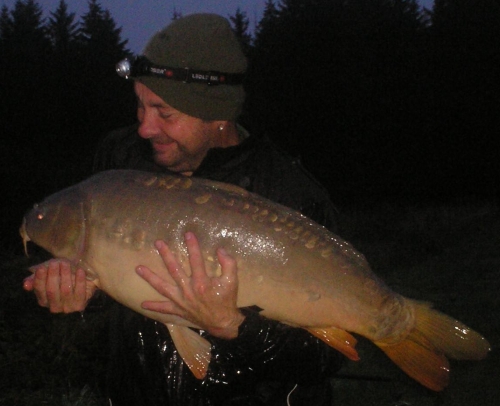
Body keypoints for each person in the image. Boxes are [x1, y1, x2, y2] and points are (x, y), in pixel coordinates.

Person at [24, 13, 343, 406]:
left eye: (165, 113)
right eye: (140, 107)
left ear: (218, 115)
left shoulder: (290, 193)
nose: (144, 128)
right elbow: (116, 280)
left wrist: (238, 328)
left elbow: (324, 358)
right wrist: (77, 290)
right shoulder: (120, 161)